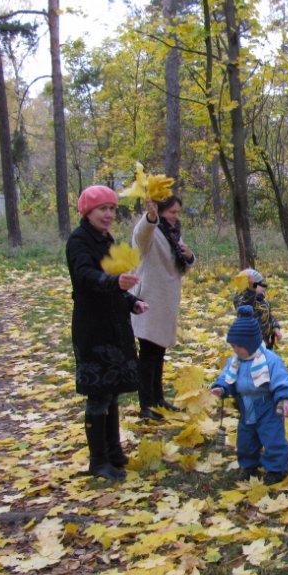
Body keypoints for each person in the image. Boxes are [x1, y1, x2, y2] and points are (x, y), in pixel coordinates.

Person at [66, 185, 149, 482]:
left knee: (112, 392)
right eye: (103, 209)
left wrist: (132, 302)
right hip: (93, 328)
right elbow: (87, 277)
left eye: (112, 209)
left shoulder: (105, 239)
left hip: (114, 323)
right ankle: (97, 460)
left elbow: (115, 281)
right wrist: (116, 285)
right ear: (87, 211)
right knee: (98, 394)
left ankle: (114, 452)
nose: (109, 214)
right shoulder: (78, 242)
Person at [210, 306, 288, 485]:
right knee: (246, 439)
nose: (236, 350)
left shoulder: (270, 360)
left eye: (239, 347)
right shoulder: (235, 362)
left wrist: (284, 398)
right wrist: (221, 387)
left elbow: (281, 380)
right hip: (246, 405)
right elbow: (227, 377)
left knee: (273, 438)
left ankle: (276, 468)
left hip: (267, 406)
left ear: (250, 343)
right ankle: (249, 465)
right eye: (233, 346)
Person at [130, 196, 195, 421]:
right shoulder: (151, 230)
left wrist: (189, 257)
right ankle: (146, 404)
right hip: (149, 299)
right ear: (161, 210)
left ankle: (158, 399)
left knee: (159, 352)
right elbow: (141, 235)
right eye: (172, 212)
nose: (176, 216)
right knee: (148, 354)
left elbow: (180, 265)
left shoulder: (172, 232)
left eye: (177, 212)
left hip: (166, 300)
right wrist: (151, 217)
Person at [233, 269, 282, 350]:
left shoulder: (261, 300)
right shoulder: (242, 301)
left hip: (265, 339)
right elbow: (246, 304)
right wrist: (251, 290)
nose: (263, 287)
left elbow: (269, 316)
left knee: (266, 358)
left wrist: (275, 328)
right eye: (259, 284)